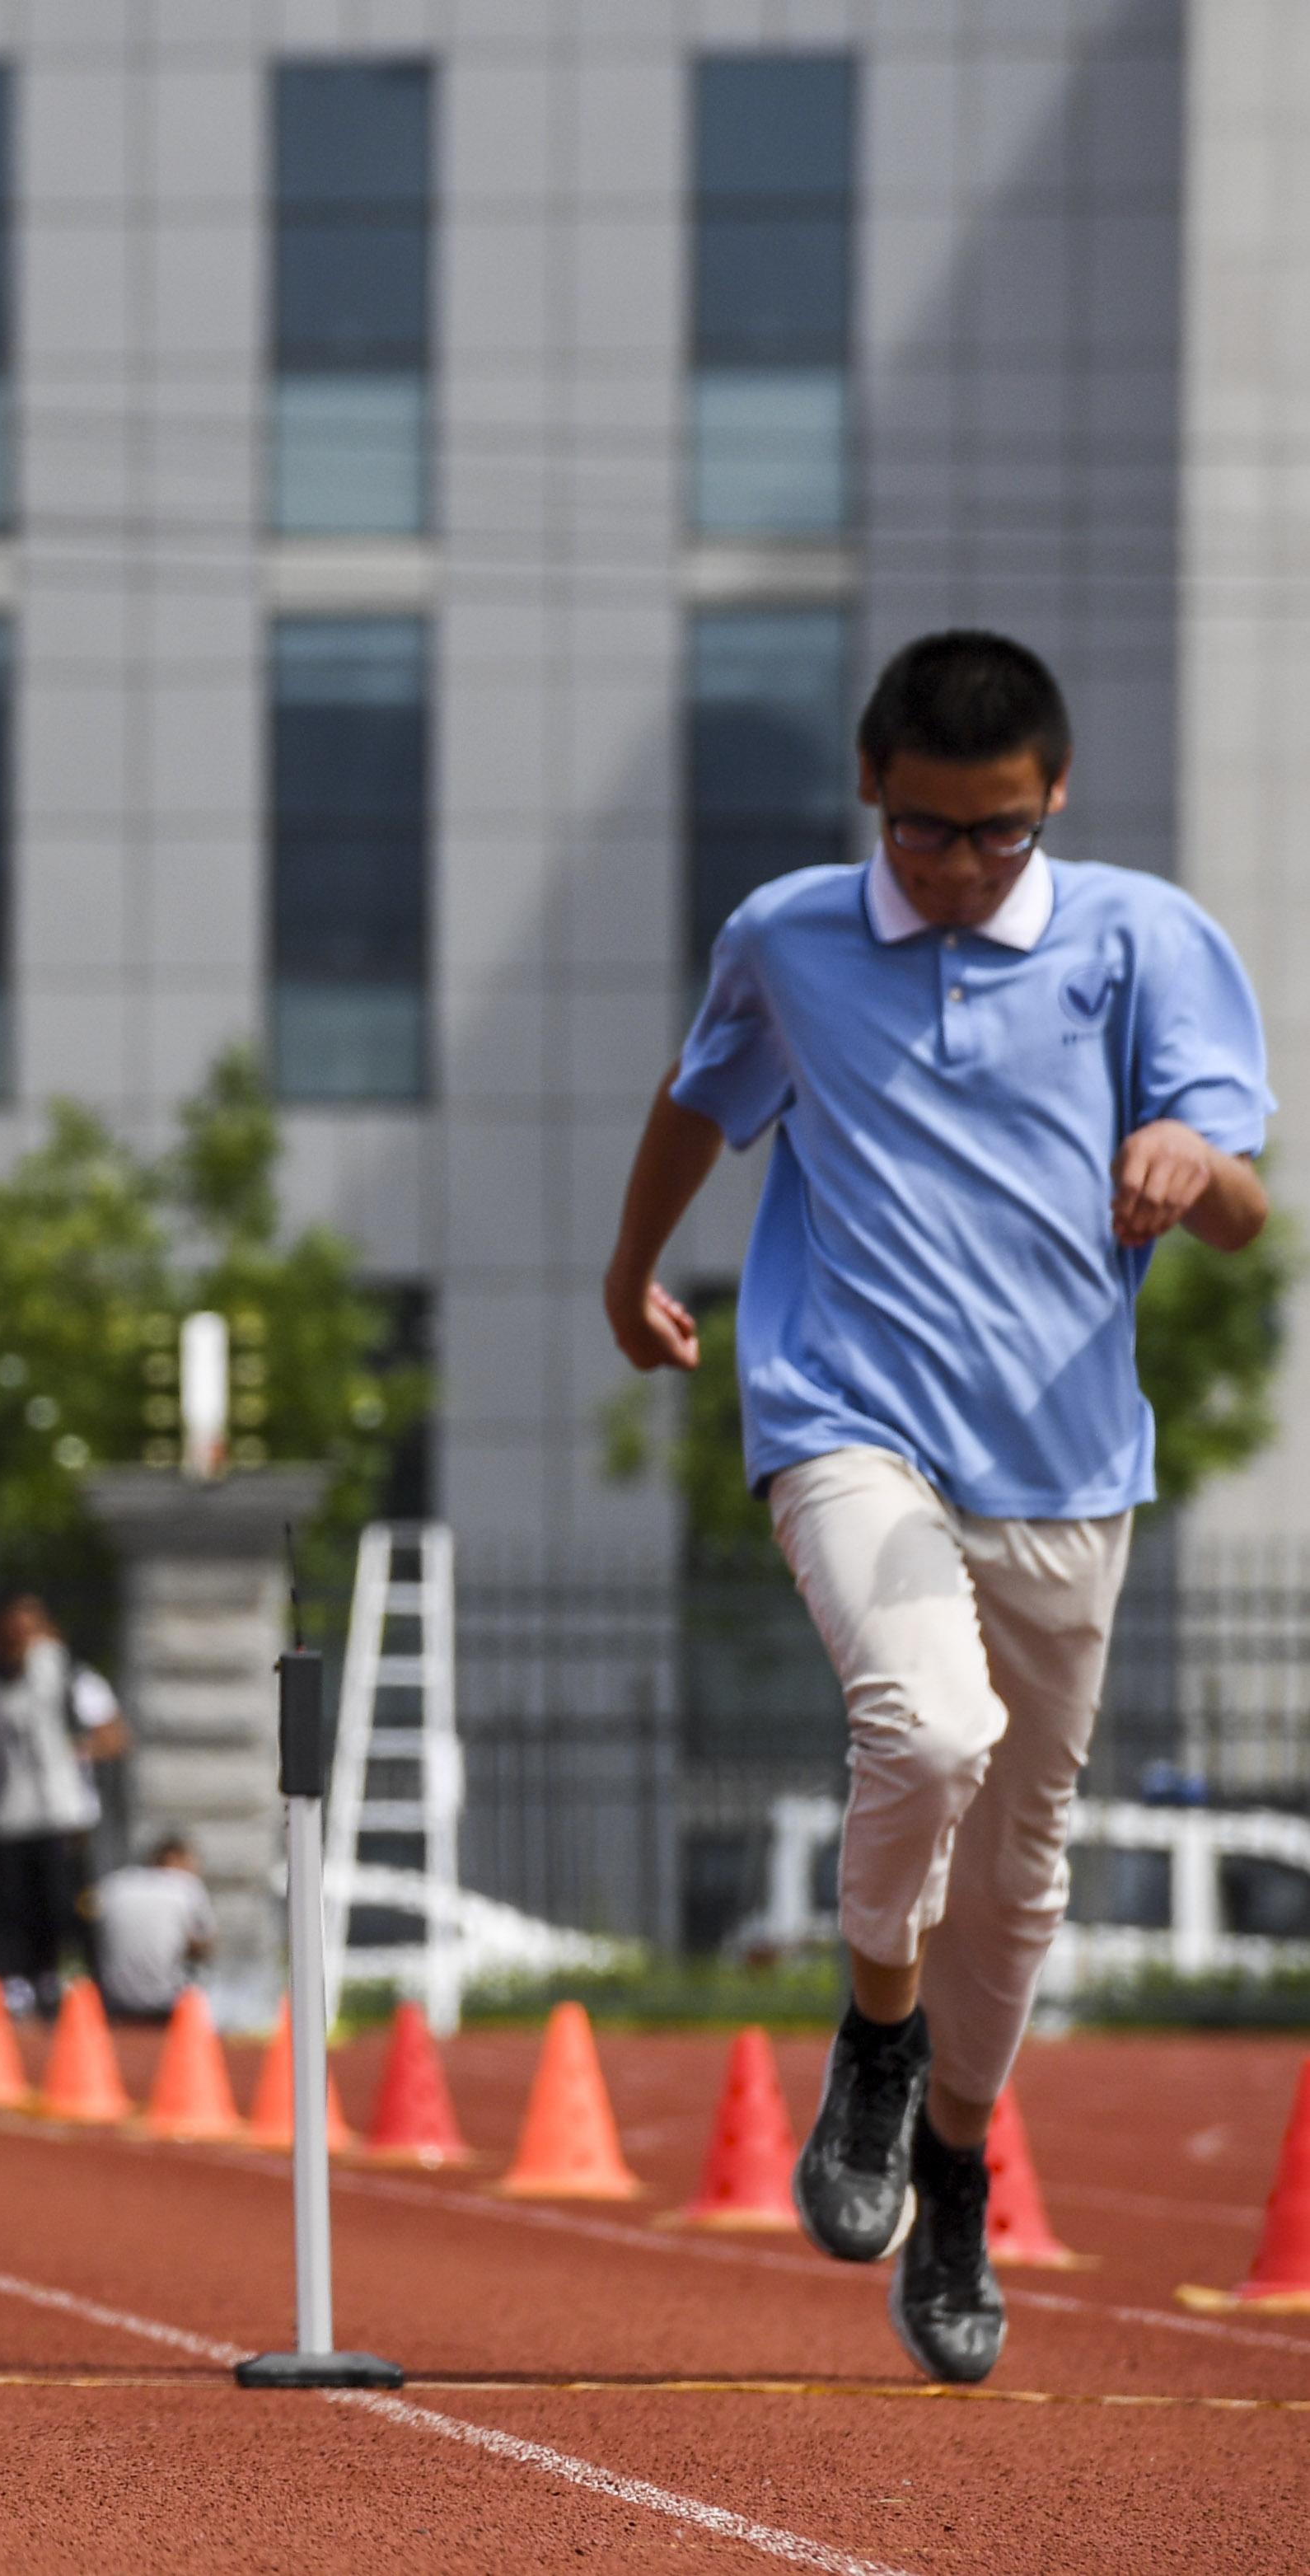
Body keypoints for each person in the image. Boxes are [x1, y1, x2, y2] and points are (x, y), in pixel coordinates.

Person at [601, 629, 1270, 2386]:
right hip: (842, 1420)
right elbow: (701, 1102)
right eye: (922, 832)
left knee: (1017, 1869)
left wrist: (1191, 1167)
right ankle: (874, 2041)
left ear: (1049, 799)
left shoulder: (1140, 941)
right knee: (922, 1726)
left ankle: (957, 2169)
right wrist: (627, 1265)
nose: (960, 869)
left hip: (1060, 1461)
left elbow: (1242, 1208)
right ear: (867, 797)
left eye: (995, 833)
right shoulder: (788, 936)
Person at [0, 1590, 127, 2016]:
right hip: (4, 1813)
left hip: (60, 1810)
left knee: (62, 1902)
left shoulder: (65, 1671)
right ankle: (14, 1979)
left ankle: (63, 1979)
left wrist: (76, 1751)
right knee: (9, 1904)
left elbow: (114, 1735)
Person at [88, 1834, 213, 2021]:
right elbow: (205, 1947)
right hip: (163, 2003)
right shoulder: (185, 1885)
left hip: (110, 2000)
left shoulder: (114, 1883)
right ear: (176, 1859)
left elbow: (91, 1928)